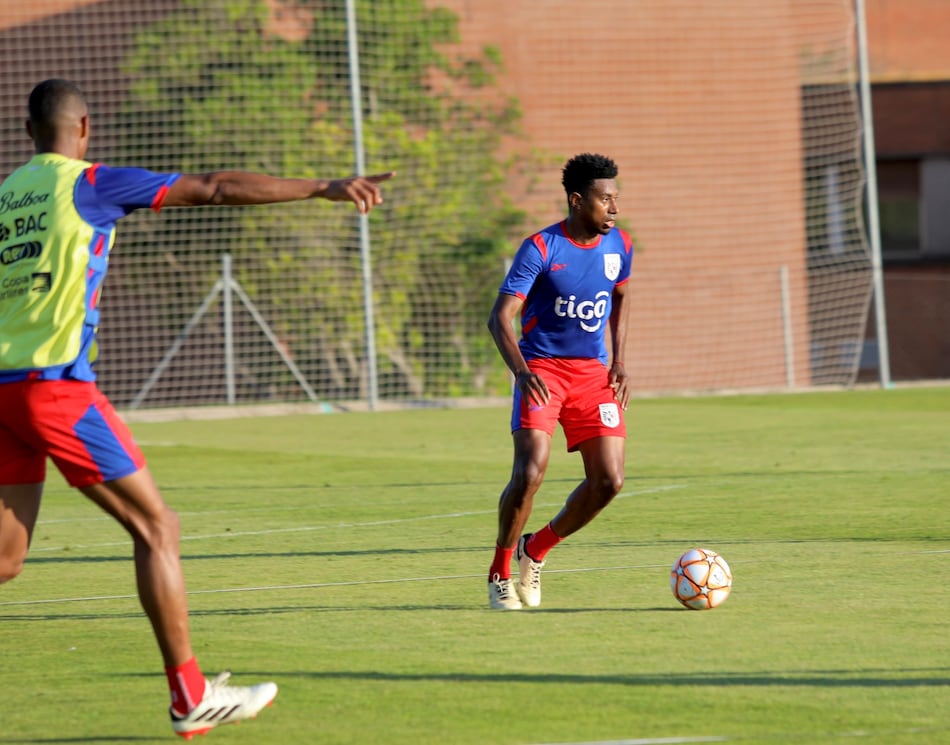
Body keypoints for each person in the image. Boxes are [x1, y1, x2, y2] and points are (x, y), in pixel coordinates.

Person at [0, 79, 393, 737]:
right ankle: (191, 696)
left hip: (2, 391)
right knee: (158, 527)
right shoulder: (90, 183)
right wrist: (322, 186)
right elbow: (213, 187)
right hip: (53, 385)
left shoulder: (8, 194)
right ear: (85, 127)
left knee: (6, 559)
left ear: (27, 131)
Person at [486, 152, 633, 610]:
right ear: (577, 200)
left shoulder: (620, 245)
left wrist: (620, 361)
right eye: (605, 199)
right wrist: (522, 372)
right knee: (530, 472)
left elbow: (621, 296)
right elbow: (500, 318)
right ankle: (500, 573)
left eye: (616, 198)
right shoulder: (541, 248)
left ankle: (536, 549)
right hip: (543, 370)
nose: (614, 208)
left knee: (609, 481)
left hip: (593, 375)